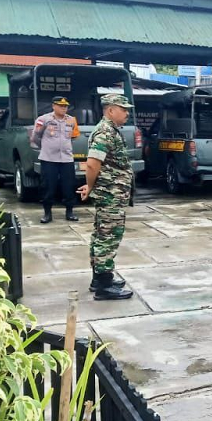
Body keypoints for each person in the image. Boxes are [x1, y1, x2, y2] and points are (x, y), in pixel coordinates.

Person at [77, 94, 135, 301]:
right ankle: (104, 285)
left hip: (112, 192)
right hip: (110, 193)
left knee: (102, 232)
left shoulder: (110, 130)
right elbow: (92, 163)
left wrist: (91, 185)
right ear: (111, 110)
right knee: (108, 235)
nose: (127, 112)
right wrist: (90, 186)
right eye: (123, 108)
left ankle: (99, 278)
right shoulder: (104, 132)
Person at [31, 95, 81, 224]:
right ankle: (47, 213)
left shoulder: (71, 120)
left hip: (67, 159)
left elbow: (74, 137)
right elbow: (36, 137)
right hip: (49, 159)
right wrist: (46, 147)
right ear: (53, 106)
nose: (64, 108)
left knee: (69, 186)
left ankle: (69, 212)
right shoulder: (44, 119)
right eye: (61, 106)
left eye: (65, 106)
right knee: (48, 186)